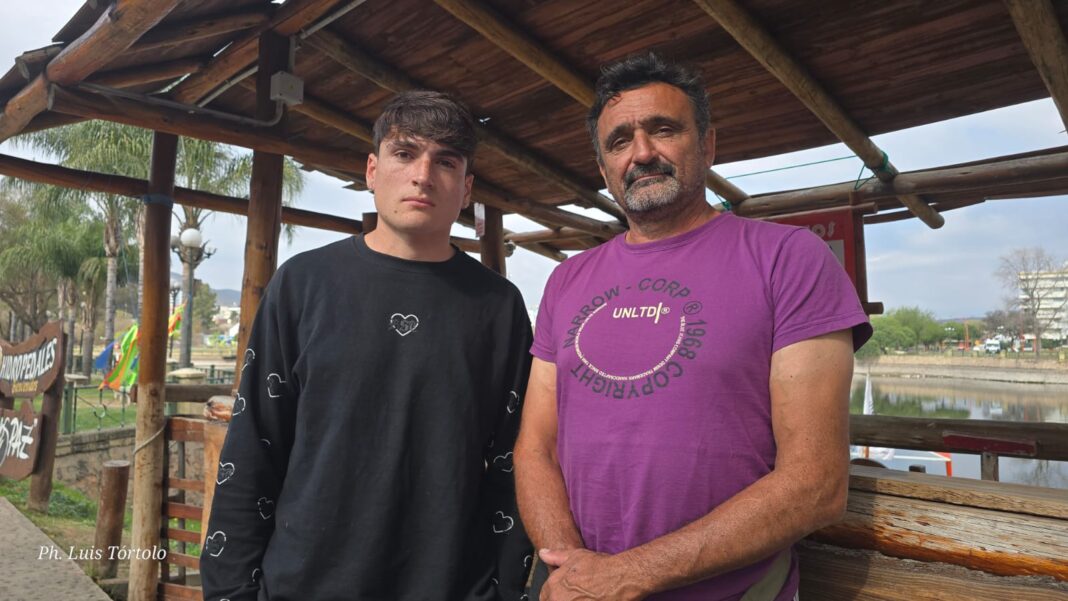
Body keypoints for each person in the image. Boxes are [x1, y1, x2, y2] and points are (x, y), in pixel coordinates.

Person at [515, 53, 872, 601]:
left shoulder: (788, 258)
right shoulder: (567, 279)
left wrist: (626, 576)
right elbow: (535, 448)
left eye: (663, 129)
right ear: (603, 168)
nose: (642, 153)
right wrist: (572, 571)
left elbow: (816, 483)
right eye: (619, 141)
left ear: (707, 145)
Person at [201, 91, 533, 601]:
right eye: (405, 153)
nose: (423, 175)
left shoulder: (498, 307)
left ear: (466, 188)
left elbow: (515, 463)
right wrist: (230, 591)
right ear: (373, 171)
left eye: (445, 161)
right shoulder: (303, 285)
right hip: (302, 585)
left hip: (449, 587)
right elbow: (254, 444)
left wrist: (504, 590)